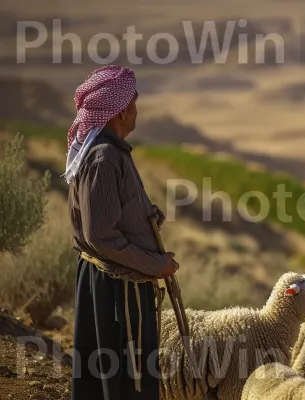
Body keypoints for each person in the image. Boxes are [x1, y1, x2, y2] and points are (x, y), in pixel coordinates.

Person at [65, 65, 179, 400]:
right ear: (120, 111)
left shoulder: (106, 152)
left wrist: (146, 218)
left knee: (113, 375)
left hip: (113, 282)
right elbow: (101, 235)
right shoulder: (104, 158)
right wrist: (154, 264)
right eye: (134, 106)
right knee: (129, 381)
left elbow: (112, 215)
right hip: (118, 287)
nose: (136, 114)